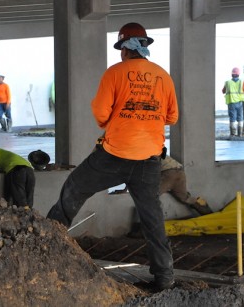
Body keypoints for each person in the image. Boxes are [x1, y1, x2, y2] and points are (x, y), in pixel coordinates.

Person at [46, 22, 178, 291]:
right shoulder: (163, 76)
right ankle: (165, 277)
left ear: (123, 50)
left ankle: (45, 244)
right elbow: (172, 117)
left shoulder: (114, 74)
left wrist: (123, 118)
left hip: (113, 155)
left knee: (74, 188)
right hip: (149, 161)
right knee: (152, 218)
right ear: (145, 47)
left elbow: (101, 115)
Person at [111, 155, 213, 215]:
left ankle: (144, 228)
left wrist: (124, 190)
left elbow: (133, 175)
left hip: (168, 174)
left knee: (149, 198)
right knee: (184, 198)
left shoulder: (137, 155)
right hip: (179, 172)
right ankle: (207, 211)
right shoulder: (151, 148)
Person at [222, 67, 244, 137]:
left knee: (232, 117)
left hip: (231, 102)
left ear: (232, 74)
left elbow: (223, 91)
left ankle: (233, 134)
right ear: (238, 74)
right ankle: (240, 134)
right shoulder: (242, 82)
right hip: (240, 102)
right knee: (240, 117)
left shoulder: (227, 83)